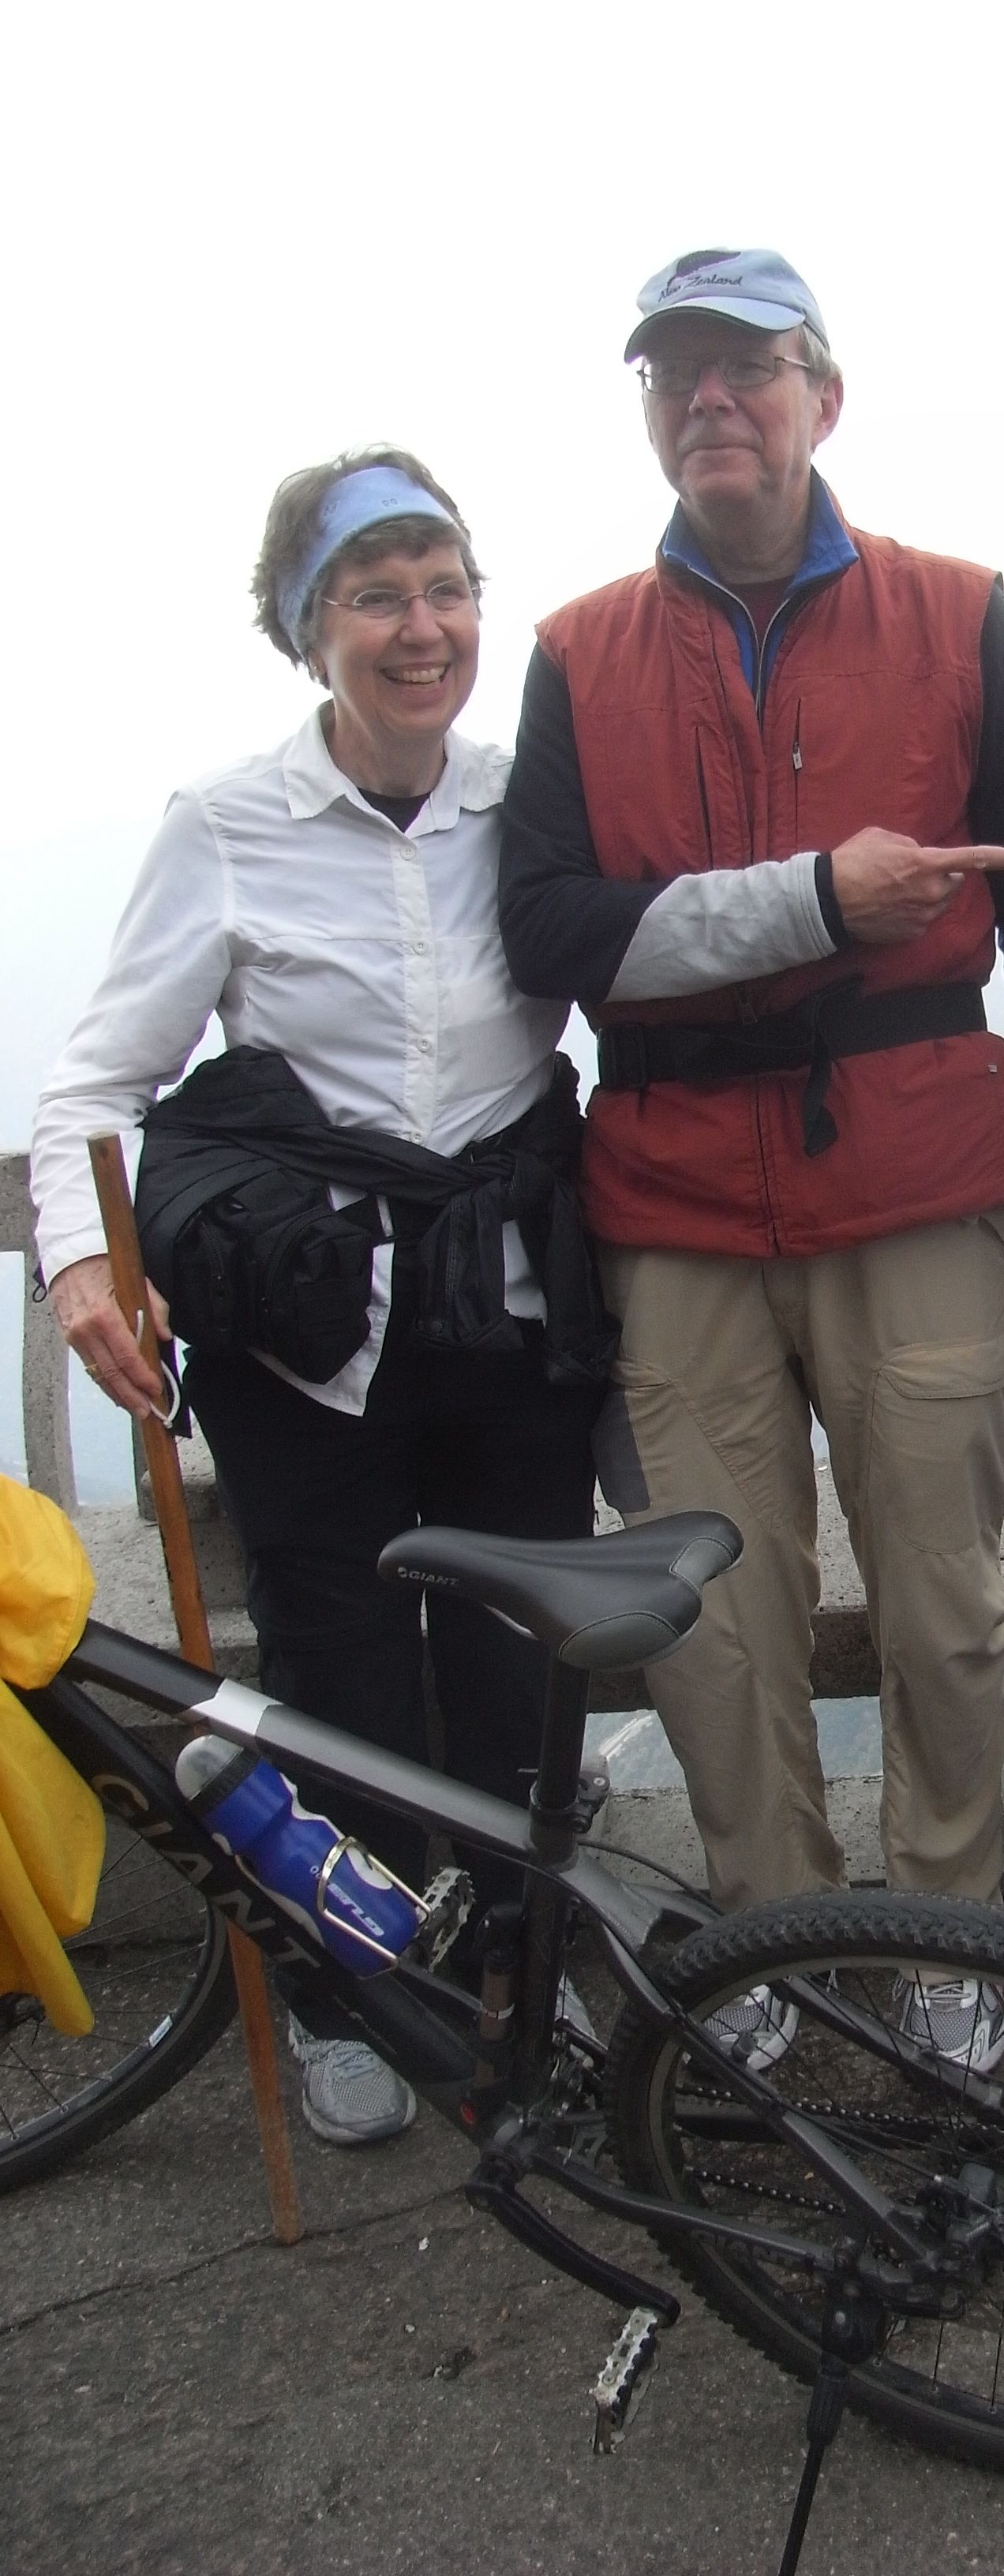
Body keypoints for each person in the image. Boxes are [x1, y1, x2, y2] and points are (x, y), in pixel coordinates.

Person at [498, 248, 1004, 2073]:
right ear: (648, 414)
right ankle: (762, 1944)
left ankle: (945, 1937)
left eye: (747, 369)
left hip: (919, 1182)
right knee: (707, 1623)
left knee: (945, 1607)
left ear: (820, 400)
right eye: (675, 375)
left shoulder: (957, 615)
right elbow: (548, 930)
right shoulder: (580, 654)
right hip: (677, 1203)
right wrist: (816, 903)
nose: (712, 402)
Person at [32, 451, 608, 2147]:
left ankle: (515, 1962)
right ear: (306, 632)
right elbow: (95, 1088)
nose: (421, 629)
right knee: (336, 1659)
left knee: (515, 1660)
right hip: (306, 1327)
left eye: (446, 591)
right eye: (375, 597)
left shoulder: (529, 802)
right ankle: (361, 1987)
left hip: (508, 1300)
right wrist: (84, 1262)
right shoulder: (226, 826)